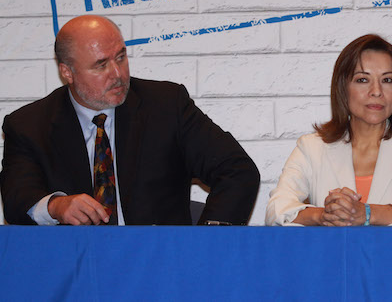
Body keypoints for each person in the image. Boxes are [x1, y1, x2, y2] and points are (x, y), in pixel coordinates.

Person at [0, 15, 260, 225]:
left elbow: (237, 170)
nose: (117, 74)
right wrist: (56, 206)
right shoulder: (29, 126)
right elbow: (16, 201)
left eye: (121, 57)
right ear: (67, 72)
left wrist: (203, 246)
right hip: (77, 270)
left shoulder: (166, 106)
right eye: (101, 65)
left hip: (158, 264)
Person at [266, 34, 392, 226]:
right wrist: (323, 216)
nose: (376, 91)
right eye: (363, 80)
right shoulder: (311, 147)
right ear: (343, 88)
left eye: (387, 80)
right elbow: (275, 212)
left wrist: (367, 213)